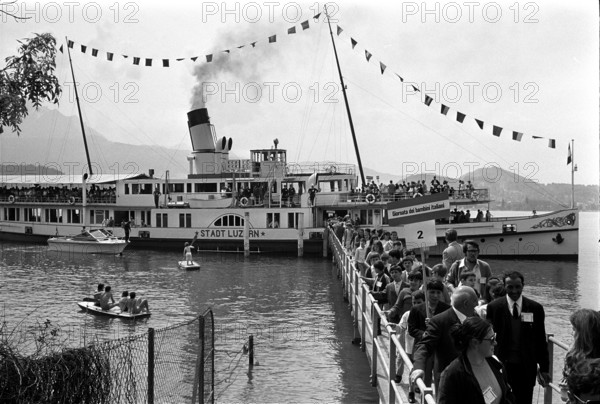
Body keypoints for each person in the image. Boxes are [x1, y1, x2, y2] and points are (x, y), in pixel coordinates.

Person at [486, 271, 550, 404]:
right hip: (501, 366)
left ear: (523, 286)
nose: (514, 291)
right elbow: (488, 339)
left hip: (526, 368)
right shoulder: (494, 307)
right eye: (510, 287)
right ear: (504, 286)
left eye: (518, 286)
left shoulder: (535, 308)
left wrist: (544, 368)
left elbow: (540, 339)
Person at [410, 286, 479, 395]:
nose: (477, 304)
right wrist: (418, 367)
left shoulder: (476, 318)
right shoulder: (440, 321)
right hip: (448, 380)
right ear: (466, 303)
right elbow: (424, 346)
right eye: (475, 301)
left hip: (474, 377)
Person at [437, 316, 516, 404]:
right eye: (491, 339)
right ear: (475, 343)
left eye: (495, 337)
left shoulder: (495, 363)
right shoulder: (452, 374)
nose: (495, 343)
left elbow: (507, 394)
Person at [408, 280, 452, 389]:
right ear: (426, 292)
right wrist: (426, 334)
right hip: (424, 348)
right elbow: (412, 329)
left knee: (440, 378)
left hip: (440, 349)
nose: (435, 295)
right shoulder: (416, 309)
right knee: (423, 378)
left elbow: (450, 329)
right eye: (432, 292)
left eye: (438, 292)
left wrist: (434, 324)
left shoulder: (446, 309)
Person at [561, 309, 600, 401]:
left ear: (583, 334)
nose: (572, 334)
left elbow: (564, 395)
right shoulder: (572, 356)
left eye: (574, 330)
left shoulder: (573, 357)